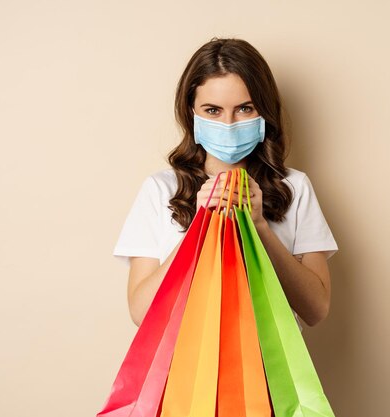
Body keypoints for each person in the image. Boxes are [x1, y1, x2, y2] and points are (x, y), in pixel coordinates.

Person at [113, 37, 338, 328]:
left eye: (245, 108)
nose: (229, 124)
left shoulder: (294, 187)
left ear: (264, 112)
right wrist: (200, 226)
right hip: (183, 368)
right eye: (213, 110)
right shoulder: (160, 189)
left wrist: (259, 226)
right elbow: (141, 313)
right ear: (191, 112)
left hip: (269, 369)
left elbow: (316, 309)